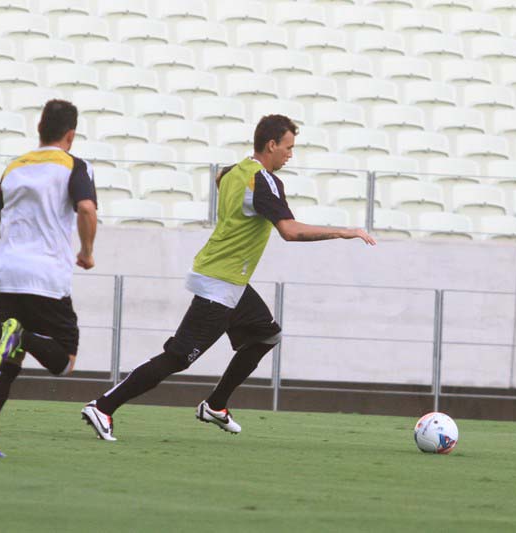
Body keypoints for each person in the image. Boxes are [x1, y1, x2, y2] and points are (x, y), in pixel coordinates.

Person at [81, 114, 376, 441]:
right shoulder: (263, 180)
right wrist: (344, 232)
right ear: (271, 145)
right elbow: (290, 231)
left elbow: (221, 179)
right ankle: (103, 406)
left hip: (227, 278)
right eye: (288, 148)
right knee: (178, 357)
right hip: (220, 282)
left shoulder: (234, 171)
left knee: (267, 335)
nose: (291, 155)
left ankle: (215, 405)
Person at [0, 99, 98, 457]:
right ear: (70, 135)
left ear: (39, 129)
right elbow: (86, 209)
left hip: (5, 274)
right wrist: (87, 251)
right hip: (45, 276)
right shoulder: (74, 165)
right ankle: (21, 335)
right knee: (64, 361)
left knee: (8, 363)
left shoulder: (14, 166)